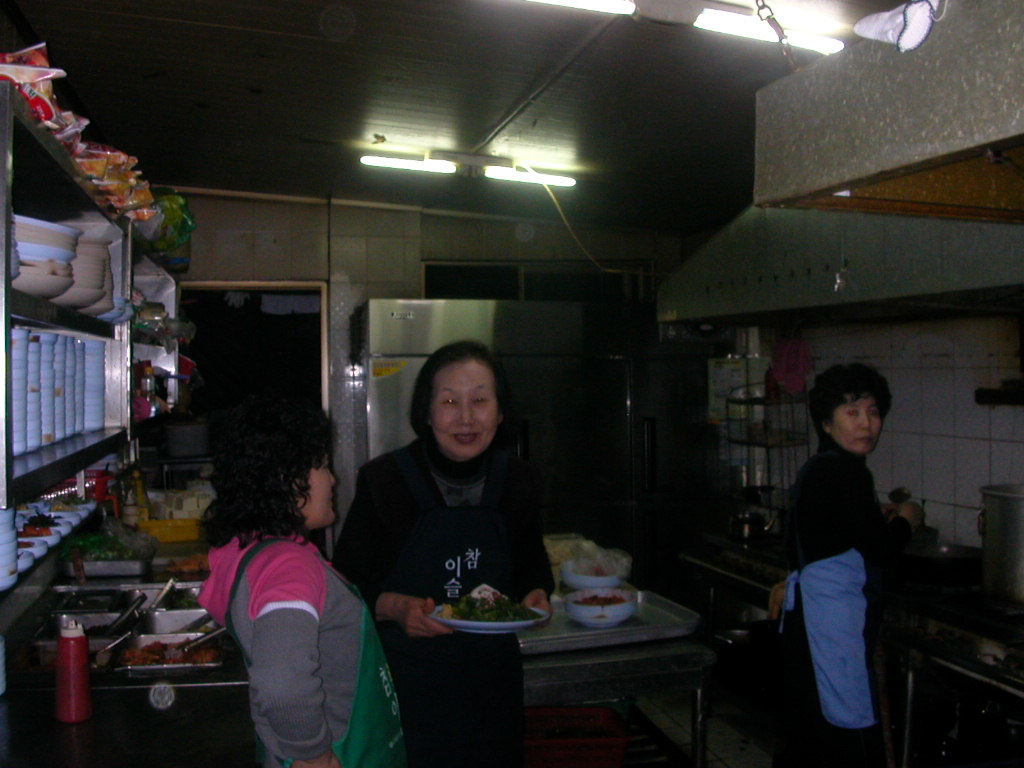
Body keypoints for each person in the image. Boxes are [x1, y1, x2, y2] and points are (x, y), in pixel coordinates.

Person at [332, 340, 553, 768]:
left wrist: (536, 595)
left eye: (480, 401)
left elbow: (532, 566)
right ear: (426, 412)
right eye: (449, 401)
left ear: (500, 412)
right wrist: (393, 607)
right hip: (404, 686)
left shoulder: (519, 480)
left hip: (493, 689)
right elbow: (345, 584)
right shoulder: (385, 480)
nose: (466, 418)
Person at [198, 395, 405, 768]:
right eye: (321, 466)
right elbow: (282, 684)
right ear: (286, 480)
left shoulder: (251, 551)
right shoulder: (288, 565)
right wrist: (313, 754)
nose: (333, 479)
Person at [770, 363, 923, 768]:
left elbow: (819, 533)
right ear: (826, 423)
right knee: (847, 731)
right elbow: (883, 552)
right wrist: (908, 519)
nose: (866, 424)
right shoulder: (846, 472)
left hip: (811, 620)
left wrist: (875, 518)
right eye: (852, 412)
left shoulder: (821, 466)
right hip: (833, 628)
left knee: (809, 735)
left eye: (872, 412)